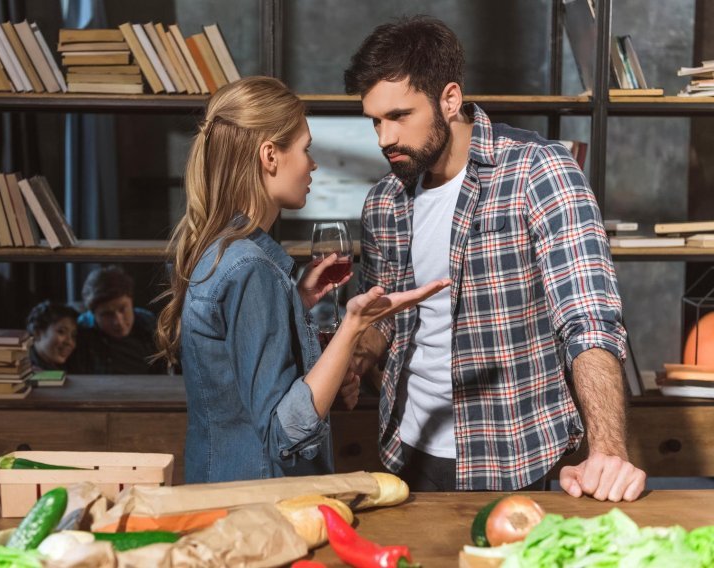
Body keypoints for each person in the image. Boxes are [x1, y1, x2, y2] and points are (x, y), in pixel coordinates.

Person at [342, 16, 646, 501]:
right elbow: (385, 319)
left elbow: (588, 319)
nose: (384, 138)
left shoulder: (538, 171)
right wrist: (356, 357)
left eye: (399, 116)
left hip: (514, 452)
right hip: (407, 449)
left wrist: (607, 448)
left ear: (450, 99)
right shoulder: (384, 201)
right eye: (375, 121)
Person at [153, 76, 450, 483]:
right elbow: (283, 432)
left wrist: (296, 302)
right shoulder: (249, 268)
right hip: (256, 504)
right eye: (305, 149)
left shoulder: (225, 251)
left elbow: (240, 378)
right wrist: (352, 328)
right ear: (270, 156)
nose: (312, 163)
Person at [74, 266, 163, 374]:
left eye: (123, 309)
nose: (118, 321)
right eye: (107, 314)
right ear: (93, 314)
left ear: (131, 301)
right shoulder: (80, 331)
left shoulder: (148, 322)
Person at [26, 300, 79, 371]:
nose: (70, 342)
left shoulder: (53, 367)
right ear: (37, 333)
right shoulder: (24, 371)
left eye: (73, 336)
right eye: (61, 332)